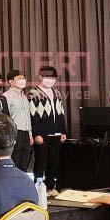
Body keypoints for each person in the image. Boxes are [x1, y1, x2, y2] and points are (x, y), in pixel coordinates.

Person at [28, 66, 68, 197]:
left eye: (53, 78)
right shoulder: (33, 93)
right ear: (40, 77)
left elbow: (61, 112)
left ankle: (50, 187)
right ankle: (38, 187)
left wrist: (63, 131)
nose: (50, 80)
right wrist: (36, 134)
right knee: (41, 162)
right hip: (42, 134)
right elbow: (32, 115)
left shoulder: (56, 92)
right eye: (48, 77)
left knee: (54, 161)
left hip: (56, 134)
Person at [3, 70, 34, 173]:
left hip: (26, 132)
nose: (22, 80)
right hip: (15, 132)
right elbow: (6, 117)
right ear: (11, 81)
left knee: (24, 162)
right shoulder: (6, 96)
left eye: (23, 78)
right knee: (14, 161)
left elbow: (27, 116)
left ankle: (22, 181)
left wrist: (30, 134)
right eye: (19, 78)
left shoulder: (24, 96)